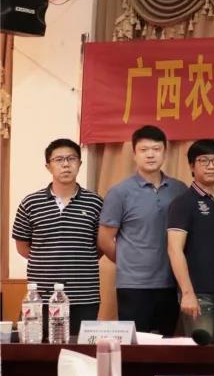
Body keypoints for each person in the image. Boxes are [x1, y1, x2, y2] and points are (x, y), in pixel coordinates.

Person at [99, 125, 186, 335]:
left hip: (170, 282)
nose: (150, 155)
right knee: (136, 344)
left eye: (156, 149)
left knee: (166, 343)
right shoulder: (120, 192)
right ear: (134, 154)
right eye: (144, 150)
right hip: (133, 285)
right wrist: (128, 261)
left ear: (165, 153)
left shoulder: (180, 189)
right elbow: (104, 240)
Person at [13, 138, 104, 337]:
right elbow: (22, 246)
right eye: (59, 159)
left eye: (71, 159)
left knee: (80, 348)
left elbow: (100, 246)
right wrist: (49, 259)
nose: (66, 164)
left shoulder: (95, 202)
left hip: (84, 295)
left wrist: (77, 257)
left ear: (80, 163)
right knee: (38, 347)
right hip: (41, 296)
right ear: (48, 166)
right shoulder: (31, 203)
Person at [166, 140, 214, 337]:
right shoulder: (182, 203)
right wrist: (187, 293)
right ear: (191, 166)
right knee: (203, 352)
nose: (211, 166)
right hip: (198, 294)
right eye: (204, 160)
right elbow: (174, 249)